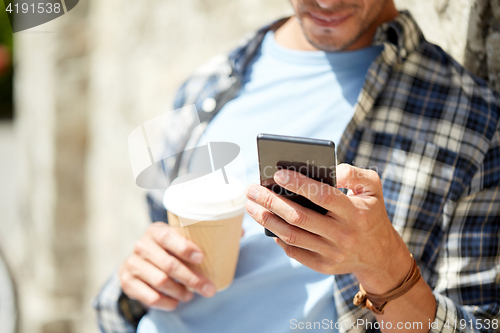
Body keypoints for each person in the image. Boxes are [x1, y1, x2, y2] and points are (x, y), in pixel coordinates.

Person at [93, 0, 500, 332]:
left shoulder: (472, 121)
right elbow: (154, 254)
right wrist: (140, 278)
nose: (326, 2)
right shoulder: (207, 84)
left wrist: (385, 267)